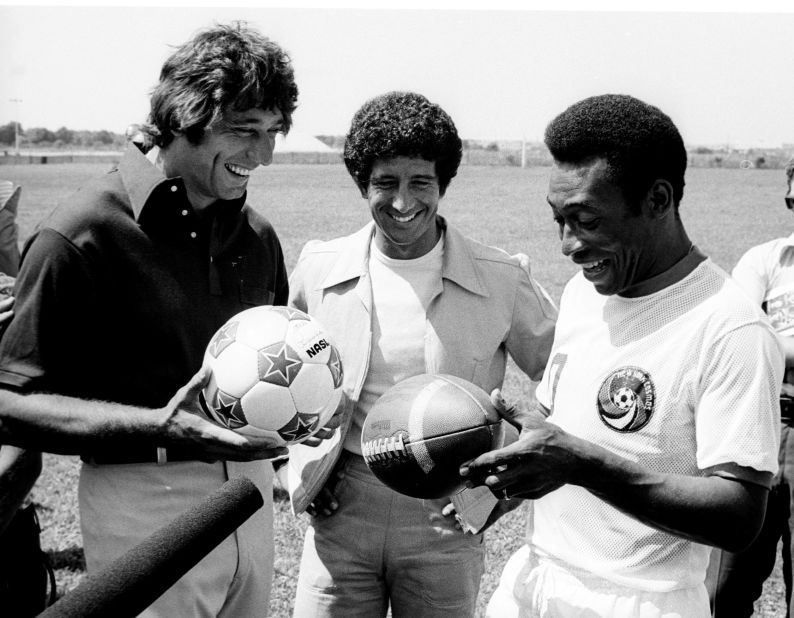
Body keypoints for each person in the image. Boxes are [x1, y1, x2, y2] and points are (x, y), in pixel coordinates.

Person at [0, 22, 336, 617]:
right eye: (242, 130)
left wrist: (299, 414)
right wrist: (158, 425)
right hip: (143, 497)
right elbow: (10, 401)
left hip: (250, 494)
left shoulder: (256, 235)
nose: (261, 155)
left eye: (272, 132)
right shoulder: (81, 233)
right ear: (184, 116)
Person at [461, 94, 784, 618]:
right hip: (534, 581)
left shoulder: (731, 328)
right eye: (558, 219)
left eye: (586, 219)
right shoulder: (582, 294)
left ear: (658, 200)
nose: (568, 244)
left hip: (641, 600)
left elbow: (740, 514)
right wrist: (490, 492)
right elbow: (558, 435)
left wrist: (582, 466)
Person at [282, 91, 557, 618]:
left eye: (420, 183)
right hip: (345, 508)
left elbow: (569, 381)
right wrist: (299, 469)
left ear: (443, 184)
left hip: (447, 512)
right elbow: (280, 379)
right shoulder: (318, 269)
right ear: (363, 183)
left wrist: (501, 490)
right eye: (385, 183)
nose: (403, 202)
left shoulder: (501, 276)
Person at [710, 157, 794, 617]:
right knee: (724, 588)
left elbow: (760, 343)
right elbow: (739, 341)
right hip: (758, 424)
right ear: (788, 196)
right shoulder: (765, 260)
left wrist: (771, 346)